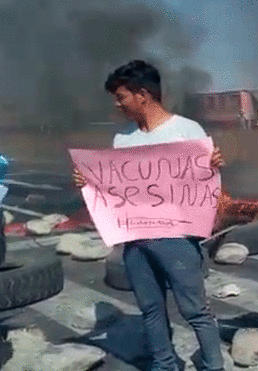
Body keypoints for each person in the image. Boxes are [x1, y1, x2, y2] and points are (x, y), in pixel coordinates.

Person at [73, 60, 225, 371]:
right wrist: (91, 181)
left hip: (177, 239)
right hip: (135, 240)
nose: (118, 105)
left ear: (143, 94)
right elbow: (119, 188)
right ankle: (164, 364)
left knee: (195, 310)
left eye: (121, 97)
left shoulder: (186, 130)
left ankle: (213, 366)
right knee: (151, 310)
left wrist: (212, 166)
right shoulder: (123, 138)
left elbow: (202, 181)